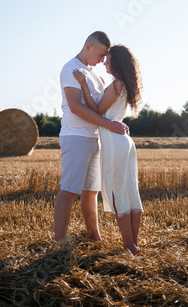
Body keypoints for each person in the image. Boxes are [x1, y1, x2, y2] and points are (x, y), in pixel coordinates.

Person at [53, 31, 129, 242]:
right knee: (69, 191)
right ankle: (60, 243)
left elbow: (99, 108)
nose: (104, 60)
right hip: (76, 136)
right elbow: (76, 107)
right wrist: (109, 125)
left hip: (95, 138)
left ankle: (94, 236)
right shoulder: (71, 69)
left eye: (106, 56)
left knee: (91, 192)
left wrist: (111, 124)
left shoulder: (94, 74)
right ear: (88, 47)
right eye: (101, 54)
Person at [73, 44, 143, 255]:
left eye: (109, 60)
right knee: (131, 191)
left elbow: (97, 111)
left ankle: (129, 245)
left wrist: (84, 86)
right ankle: (134, 244)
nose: (105, 62)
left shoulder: (116, 85)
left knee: (116, 191)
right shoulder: (124, 85)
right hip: (124, 141)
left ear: (118, 63)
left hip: (114, 142)